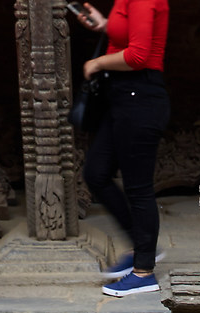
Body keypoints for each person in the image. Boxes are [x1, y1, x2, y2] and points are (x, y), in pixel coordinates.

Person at [76, 0, 169, 297]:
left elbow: (139, 55)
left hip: (140, 97)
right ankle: (143, 245)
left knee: (138, 187)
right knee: (96, 173)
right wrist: (105, 25)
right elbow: (129, 36)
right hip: (122, 99)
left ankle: (144, 272)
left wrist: (97, 63)